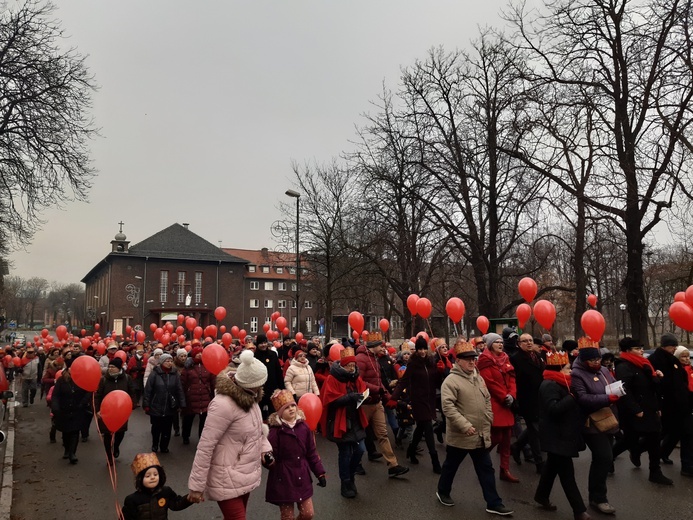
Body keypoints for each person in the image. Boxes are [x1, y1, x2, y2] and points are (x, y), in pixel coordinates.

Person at [188, 350, 272, 519]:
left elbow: (258, 433)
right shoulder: (223, 405)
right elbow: (206, 446)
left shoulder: (252, 396)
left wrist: (265, 450)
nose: (262, 386)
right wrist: (197, 486)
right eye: (259, 383)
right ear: (249, 382)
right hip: (225, 476)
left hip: (245, 473)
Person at [435, 339, 514, 516]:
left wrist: (488, 417)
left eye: (473, 358)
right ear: (458, 361)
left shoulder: (478, 377)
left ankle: (494, 503)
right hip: (461, 435)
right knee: (451, 466)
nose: (472, 361)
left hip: (479, 434)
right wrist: (464, 425)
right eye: (467, 359)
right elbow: (447, 407)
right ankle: (443, 491)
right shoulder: (451, 381)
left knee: (486, 468)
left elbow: (486, 399)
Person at [534, 351, 591, 520]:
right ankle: (579, 510)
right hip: (556, 436)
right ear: (558, 369)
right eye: (567, 368)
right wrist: (573, 397)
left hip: (563, 434)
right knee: (567, 475)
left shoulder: (563, 383)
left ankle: (541, 495)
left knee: (552, 468)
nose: (571, 371)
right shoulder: (549, 385)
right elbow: (553, 409)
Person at [613, 337, 672, 484]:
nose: (641, 351)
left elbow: (653, 389)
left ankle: (655, 472)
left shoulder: (645, 364)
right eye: (637, 348)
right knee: (629, 440)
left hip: (650, 408)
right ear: (627, 351)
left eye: (641, 348)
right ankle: (609, 458)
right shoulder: (623, 366)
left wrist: (657, 377)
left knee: (654, 438)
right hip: (635, 412)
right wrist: (635, 409)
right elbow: (623, 390)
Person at [571, 338, 618, 515]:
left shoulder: (605, 370)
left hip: (609, 419)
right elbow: (582, 398)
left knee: (604, 458)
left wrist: (618, 390)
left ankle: (596, 495)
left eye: (598, 359)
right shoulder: (577, 374)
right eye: (593, 360)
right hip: (591, 422)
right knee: (604, 457)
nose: (597, 363)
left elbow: (612, 384)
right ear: (584, 361)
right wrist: (607, 399)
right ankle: (599, 498)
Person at [265, 389, 326, 520]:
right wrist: (268, 460)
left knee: (308, 513)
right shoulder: (275, 432)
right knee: (288, 516)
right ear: (280, 413)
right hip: (283, 479)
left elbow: (311, 453)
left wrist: (319, 473)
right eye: (286, 408)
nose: (291, 409)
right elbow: (269, 454)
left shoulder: (304, 427)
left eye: (293, 405)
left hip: (302, 476)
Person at [355, 337, 409, 478]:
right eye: (381, 345)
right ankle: (355, 463)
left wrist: (388, 398)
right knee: (359, 436)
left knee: (383, 434)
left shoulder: (375, 359)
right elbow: (357, 381)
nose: (384, 347)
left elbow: (380, 383)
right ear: (374, 345)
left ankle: (393, 465)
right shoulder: (361, 358)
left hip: (377, 403)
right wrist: (376, 389)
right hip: (365, 403)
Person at [319, 347, 369, 498]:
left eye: (353, 366)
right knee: (345, 453)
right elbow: (330, 400)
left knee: (360, 450)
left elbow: (362, 389)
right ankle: (345, 482)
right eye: (348, 366)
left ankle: (351, 475)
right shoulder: (332, 378)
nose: (351, 368)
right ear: (342, 365)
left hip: (355, 420)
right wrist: (350, 397)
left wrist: (365, 396)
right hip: (340, 422)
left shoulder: (355, 377)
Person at [388, 336, 441, 473]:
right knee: (428, 427)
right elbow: (403, 382)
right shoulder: (412, 363)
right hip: (418, 400)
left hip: (430, 399)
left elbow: (437, 380)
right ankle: (435, 460)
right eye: (419, 349)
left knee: (420, 428)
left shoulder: (431, 361)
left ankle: (411, 451)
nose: (422, 351)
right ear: (416, 350)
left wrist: (441, 371)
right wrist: (394, 397)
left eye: (424, 348)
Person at [477, 333, 519, 483]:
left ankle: (504, 469)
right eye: (497, 342)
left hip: (507, 403)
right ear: (490, 345)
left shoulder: (506, 358)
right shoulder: (484, 360)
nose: (500, 344)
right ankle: (480, 460)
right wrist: (504, 396)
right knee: (496, 437)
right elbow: (489, 382)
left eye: (501, 342)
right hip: (495, 403)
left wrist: (512, 394)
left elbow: (512, 378)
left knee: (507, 439)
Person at [648, 333, 692, 472]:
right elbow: (657, 384)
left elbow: (682, 382)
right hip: (668, 405)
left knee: (684, 433)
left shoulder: (674, 360)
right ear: (666, 346)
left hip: (682, 404)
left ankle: (686, 465)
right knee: (665, 432)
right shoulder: (655, 360)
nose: (674, 348)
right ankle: (638, 449)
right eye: (672, 346)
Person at [510, 332, 545, 472]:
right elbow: (514, 380)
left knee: (534, 428)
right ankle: (539, 463)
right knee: (535, 430)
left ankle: (517, 446)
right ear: (519, 344)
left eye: (531, 340)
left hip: (540, 397)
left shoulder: (537, 356)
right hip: (526, 399)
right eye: (525, 341)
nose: (529, 343)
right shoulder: (515, 359)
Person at [123, 452, 193, 520]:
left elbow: (176, 504)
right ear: (140, 479)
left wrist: (189, 498)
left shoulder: (166, 491)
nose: (152, 477)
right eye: (148, 476)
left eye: (155, 474)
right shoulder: (132, 500)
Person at [51, 355, 92, 464]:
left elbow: (89, 391)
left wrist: (83, 403)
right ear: (68, 369)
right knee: (66, 433)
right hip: (63, 410)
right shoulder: (61, 380)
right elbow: (55, 395)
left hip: (77, 410)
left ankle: (72, 453)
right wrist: (55, 407)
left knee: (75, 431)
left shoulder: (82, 378)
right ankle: (66, 448)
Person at [95, 357, 136, 464]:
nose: (110, 369)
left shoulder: (127, 378)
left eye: (113, 367)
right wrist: (97, 410)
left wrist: (132, 405)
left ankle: (116, 446)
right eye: (109, 367)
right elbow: (98, 396)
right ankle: (109, 456)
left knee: (120, 432)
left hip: (121, 411)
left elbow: (132, 393)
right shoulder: (103, 380)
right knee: (107, 434)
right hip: (106, 411)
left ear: (119, 368)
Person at [143, 353, 186, 453]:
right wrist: (146, 404)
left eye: (171, 361)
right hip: (156, 405)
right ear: (162, 362)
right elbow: (148, 390)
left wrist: (181, 403)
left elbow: (179, 390)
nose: (169, 363)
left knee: (167, 428)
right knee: (156, 428)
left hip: (170, 406)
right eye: (167, 361)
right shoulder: (154, 374)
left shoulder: (175, 374)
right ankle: (155, 444)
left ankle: (164, 446)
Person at [180, 346, 215, 445]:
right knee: (188, 419)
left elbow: (213, 381)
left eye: (201, 353)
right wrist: (182, 397)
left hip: (205, 397)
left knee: (204, 420)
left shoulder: (208, 366)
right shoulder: (188, 368)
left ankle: (202, 437)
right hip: (191, 398)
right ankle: (185, 436)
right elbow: (182, 383)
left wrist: (214, 394)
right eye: (197, 353)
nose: (199, 355)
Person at [254, 334, 285, 420]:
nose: (263, 345)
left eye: (265, 342)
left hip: (272, 388)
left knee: (273, 413)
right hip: (260, 389)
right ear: (257, 344)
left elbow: (278, 371)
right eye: (261, 343)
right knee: (259, 413)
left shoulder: (273, 354)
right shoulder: (254, 356)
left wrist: (282, 387)